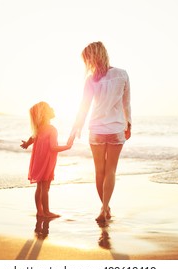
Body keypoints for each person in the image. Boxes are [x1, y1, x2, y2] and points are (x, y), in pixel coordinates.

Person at [71, 41, 132, 222]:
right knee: (111, 171)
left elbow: (84, 105)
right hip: (116, 128)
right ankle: (105, 207)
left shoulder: (91, 79)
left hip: (96, 129)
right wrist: (129, 124)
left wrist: (77, 126)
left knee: (99, 171)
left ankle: (104, 208)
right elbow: (126, 103)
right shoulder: (122, 74)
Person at [21, 101, 74, 218]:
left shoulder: (38, 128)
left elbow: (32, 138)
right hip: (47, 161)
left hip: (38, 160)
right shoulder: (52, 129)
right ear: (45, 113)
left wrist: (27, 144)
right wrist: (68, 146)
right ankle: (46, 212)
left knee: (40, 186)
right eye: (50, 108)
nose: (53, 109)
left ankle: (39, 211)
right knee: (45, 187)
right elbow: (53, 147)